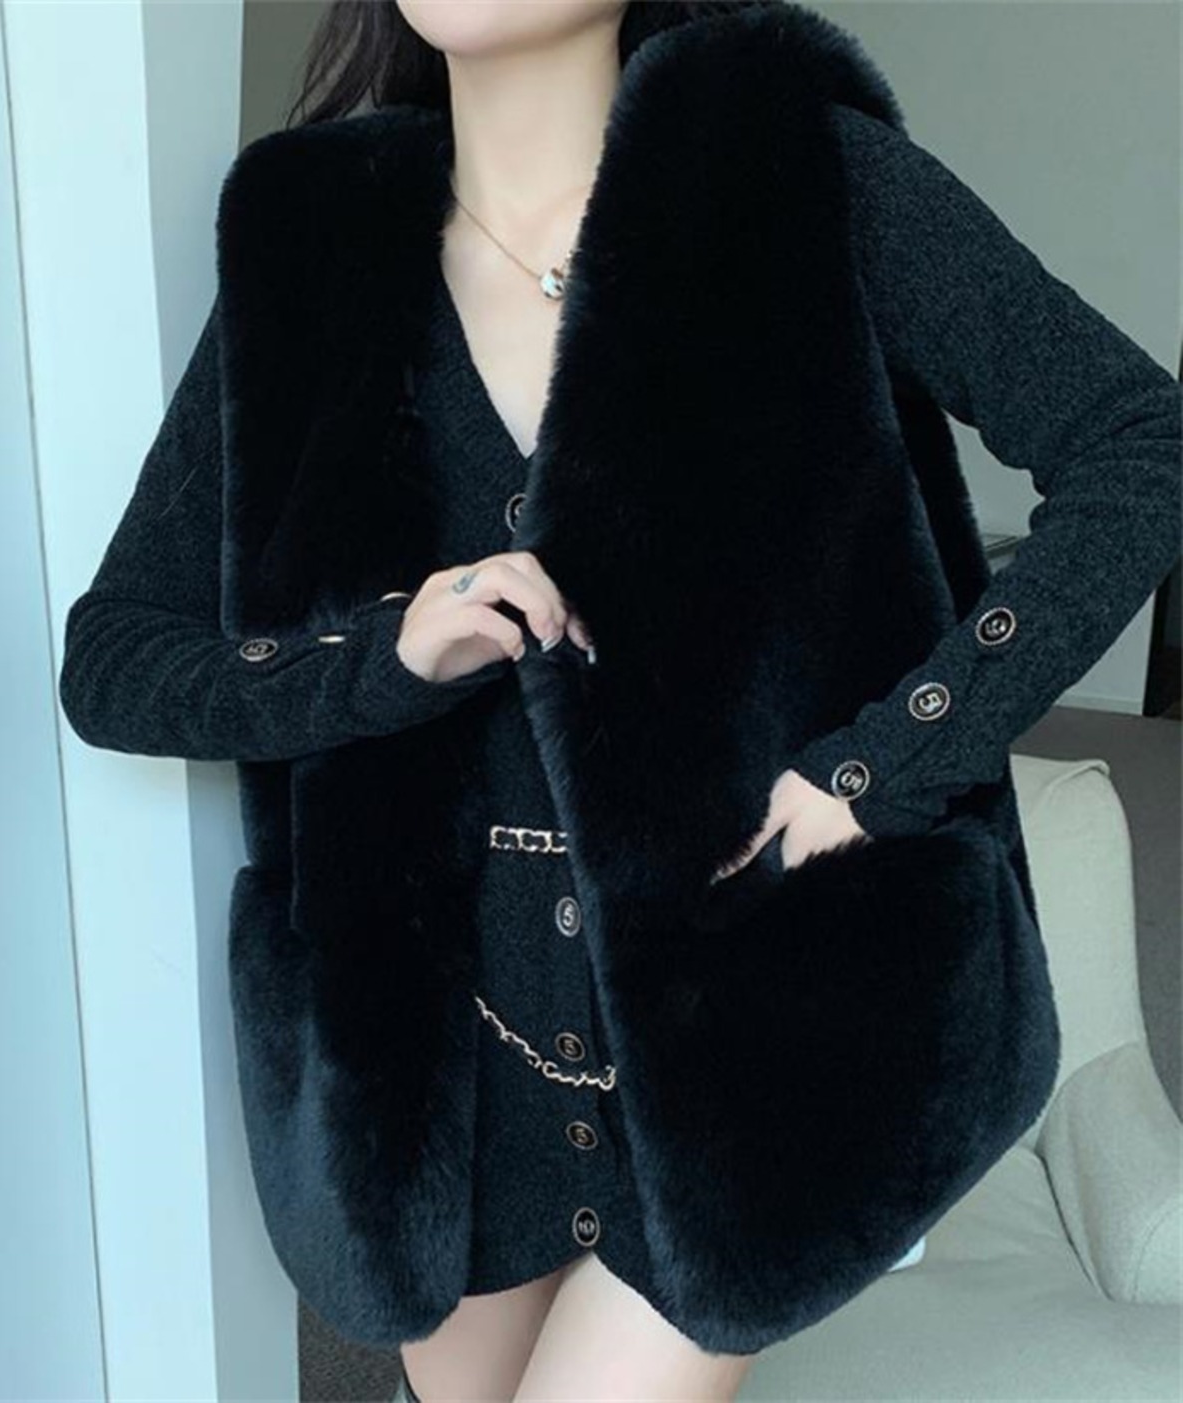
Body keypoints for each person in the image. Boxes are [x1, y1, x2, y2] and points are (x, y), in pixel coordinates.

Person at [60, 2, 1181, 1400]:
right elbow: (114, 658)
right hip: (441, 1079)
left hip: (756, 1034)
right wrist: (380, 657)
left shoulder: (795, 172)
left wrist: (895, 755)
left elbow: (1142, 445)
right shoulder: (314, 245)